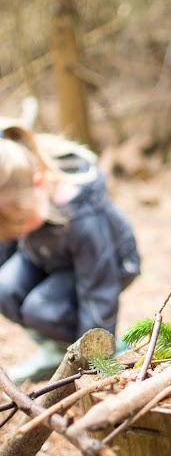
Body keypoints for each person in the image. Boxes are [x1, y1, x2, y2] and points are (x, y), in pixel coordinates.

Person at [0, 121, 141, 383]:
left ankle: (100, 349)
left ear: (39, 183)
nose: (17, 232)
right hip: (50, 256)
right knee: (5, 288)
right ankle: (58, 348)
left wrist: (97, 352)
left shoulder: (80, 216)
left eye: (20, 223)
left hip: (109, 264)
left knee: (42, 308)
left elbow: (99, 290)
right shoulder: (17, 201)